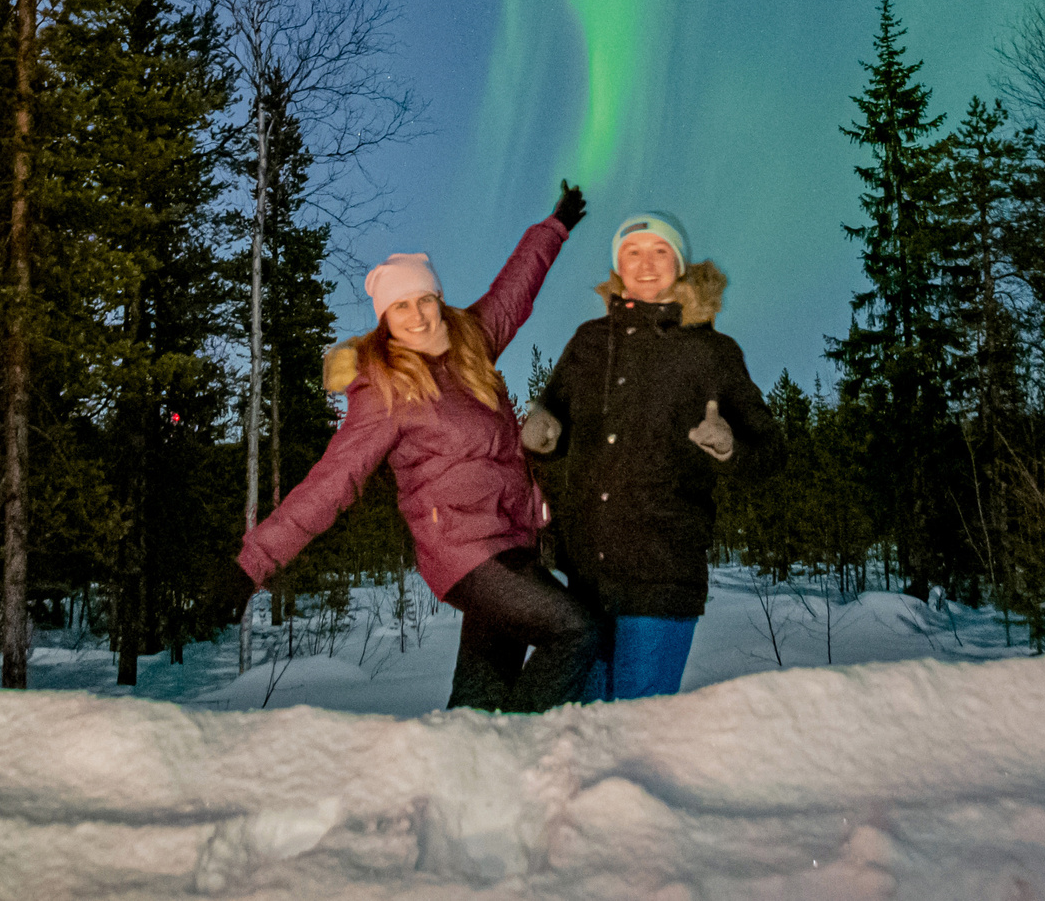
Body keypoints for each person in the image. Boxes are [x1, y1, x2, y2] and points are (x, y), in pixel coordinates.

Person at [213, 182, 595, 714]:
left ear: (438, 299)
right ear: (385, 319)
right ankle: (525, 746)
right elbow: (333, 482)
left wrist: (553, 229)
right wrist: (251, 563)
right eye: (400, 307)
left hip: (513, 537)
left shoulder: (472, 341)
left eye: (424, 300)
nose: (416, 316)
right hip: (464, 551)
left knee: (479, 703)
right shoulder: (384, 388)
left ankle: (469, 756)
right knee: (576, 630)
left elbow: (515, 289)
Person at [524, 210, 778, 700]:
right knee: (578, 728)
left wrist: (730, 448)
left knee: (636, 728)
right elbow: (551, 430)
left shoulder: (712, 352)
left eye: (660, 252)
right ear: (618, 265)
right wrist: (539, 440)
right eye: (632, 252)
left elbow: (769, 453)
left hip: (661, 578)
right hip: (584, 582)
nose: (645, 264)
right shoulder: (588, 342)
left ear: (679, 265)